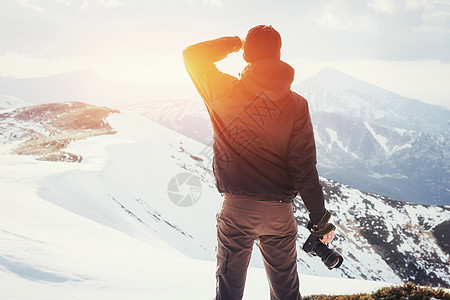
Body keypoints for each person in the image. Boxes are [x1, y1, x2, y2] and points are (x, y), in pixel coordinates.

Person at [183, 25, 335, 300]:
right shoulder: (297, 104)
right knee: (286, 293)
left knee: (228, 291)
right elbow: (304, 168)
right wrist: (320, 221)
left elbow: (193, 55)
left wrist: (235, 43)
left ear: (248, 55)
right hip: (280, 214)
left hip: (237, 211)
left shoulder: (224, 91)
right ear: (278, 55)